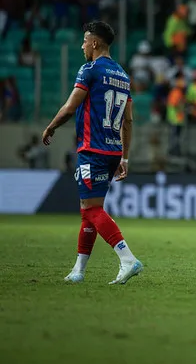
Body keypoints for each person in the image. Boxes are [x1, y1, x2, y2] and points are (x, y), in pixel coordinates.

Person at [41, 21, 143, 285]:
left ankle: (127, 259)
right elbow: (128, 121)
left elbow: (70, 106)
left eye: (85, 40)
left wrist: (51, 126)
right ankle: (79, 270)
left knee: (92, 209)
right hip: (113, 151)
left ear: (95, 43)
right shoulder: (122, 74)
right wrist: (125, 157)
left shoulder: (90, 70)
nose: (82, 45)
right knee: (89, 209)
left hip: (93, 149)